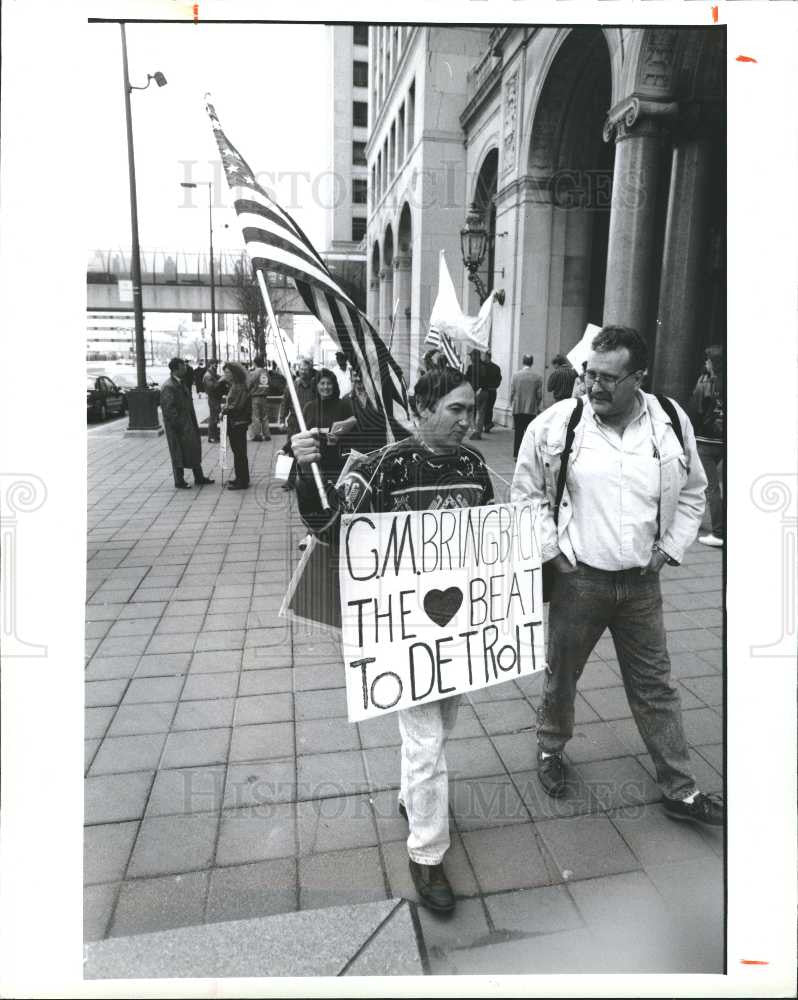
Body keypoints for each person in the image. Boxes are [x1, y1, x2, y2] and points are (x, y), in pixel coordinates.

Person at [292, 365, 494, 913]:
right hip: (400, 632)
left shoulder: (476, 468)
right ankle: (427, 855)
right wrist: (301, 472)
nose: (467, 420)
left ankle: (412, 797)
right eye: (456, 409)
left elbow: (489, 545)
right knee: (427, 742)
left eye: (471, 409)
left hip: (455, 630)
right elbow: (332, 531)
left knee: (441, 730)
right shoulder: (383, 467)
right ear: (422, 408)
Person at [512, 325, 723, 829]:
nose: (593, 387)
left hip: (641, 586)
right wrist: (552, 554)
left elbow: (694, 490)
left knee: (655, 686)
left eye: (609, 378)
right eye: (589, 374)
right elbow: (527, 493)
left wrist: (669, 550)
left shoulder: (670, 421)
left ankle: (680, 787)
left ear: (638, 378)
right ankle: (550, 750)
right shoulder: (557, 424)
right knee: (562, 673)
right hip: (579, 579)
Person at [160, 358, 214, 489]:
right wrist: (179, 425)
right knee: (178, 452)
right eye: (183, 366)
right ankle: (179, 480)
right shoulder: (168, 386)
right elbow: (169, 410)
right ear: (175, 369)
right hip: (178, 426)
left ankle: (199, 477)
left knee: (193, 449)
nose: (185, 368)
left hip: (188, 422)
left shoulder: (180, 382)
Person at [690, 345, 724, 548]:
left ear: (713, 362)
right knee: (716, 486)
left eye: (707, 360)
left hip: (706, 441)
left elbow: (695, 411)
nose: (705, 363)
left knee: (709, 487)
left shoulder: (706, 384)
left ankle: (719, 533)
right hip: (722, 440)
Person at [301, 368, 354, 484]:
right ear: (317, 386)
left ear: (334, 385)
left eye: (329, 383)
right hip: (314, 462)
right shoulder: (309, 407)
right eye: (322, 383)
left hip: (337, 462)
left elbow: (353, 434)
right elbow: (300, 433)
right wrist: (284, 450)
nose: (326, 387)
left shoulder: (343, 406)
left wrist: (339, 438)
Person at [279, 356, 318, 492]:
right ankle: (289, 481)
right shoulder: (293, 385)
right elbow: (284, 402)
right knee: (290, 450)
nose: (303, 372)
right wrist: (281, 419)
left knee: (307, 451)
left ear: (310, 370)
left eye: (306, 369)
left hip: (309, 422)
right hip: (294, 423)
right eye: (301, 369)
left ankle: (307, 479)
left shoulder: (314, 386)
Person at [220, 361, 252, 490]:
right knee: (238, 452)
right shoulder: (236, 386)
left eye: (227, 372)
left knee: (239, 453)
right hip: (236, 422)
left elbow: (237, 406)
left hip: (238, 423)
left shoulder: (238, 387)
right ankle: (241, 478)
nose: (225, 375)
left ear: (234, 373)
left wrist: (224, 409)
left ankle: (242, 481)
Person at [510, 354, 543, 459]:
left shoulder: (515, 376)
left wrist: (512, 404)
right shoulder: (537, 377)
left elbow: (512, 392)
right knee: (530, 434)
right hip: (531, 409)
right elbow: (539, 395)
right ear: (532, 362)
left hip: (518, 408)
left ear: (523, 362)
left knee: (518, 432)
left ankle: (516, 454)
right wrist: (537, 406)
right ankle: (529, 455)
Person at [466, 349, 502, 439]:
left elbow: (466, 380)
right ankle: (478, 432)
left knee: (472, 413)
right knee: (481, 413)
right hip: (485, 392)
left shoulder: (471, 367)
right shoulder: (486, 367)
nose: (470, 358)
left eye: (471, 356)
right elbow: (493, 379)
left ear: (474, 357)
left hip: (474, 392)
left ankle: (474, 430)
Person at [248, 354, 272, 442]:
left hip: (255, 397)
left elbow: (249, 384)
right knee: (265, 417)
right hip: (264, 397)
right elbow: (269, 383)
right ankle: (267, 434)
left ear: (255, 363)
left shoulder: (254, 373)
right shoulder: (265, 372)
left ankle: (257, 435)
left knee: (256, 417)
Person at [202, 361, 224, 443]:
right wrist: (220, 381)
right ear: (210, 365)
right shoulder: (208, 376)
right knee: (213, 417)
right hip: (213, 398)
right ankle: (212, 436)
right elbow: (212, 387)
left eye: (217, 365)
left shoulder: (212, 374)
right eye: (215, 365)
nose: (216, 366)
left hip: (215, 398)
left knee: (215, 417)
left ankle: (214, 435)